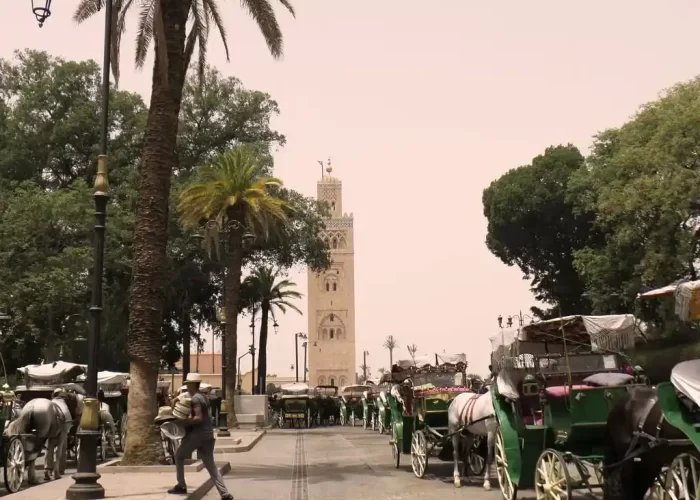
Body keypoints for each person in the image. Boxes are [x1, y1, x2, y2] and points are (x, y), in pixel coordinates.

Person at [168, 373, 232, 500]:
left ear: (192, 384)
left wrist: (183, 421)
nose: (186, 386)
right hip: (208, 435)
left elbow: (198, 418)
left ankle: (181, 485)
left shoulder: (196, 399)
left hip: (198, 435)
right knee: (210, 465)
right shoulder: (203, 397)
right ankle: (224, 493)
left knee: (179, 456)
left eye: (187, 384)